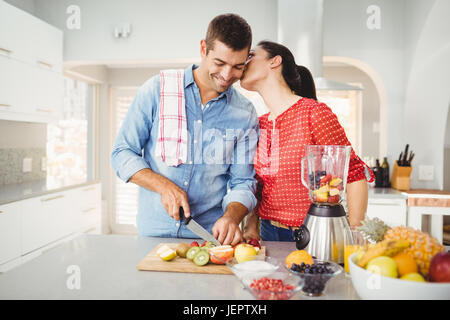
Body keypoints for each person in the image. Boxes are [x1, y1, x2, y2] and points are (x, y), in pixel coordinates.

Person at [111, 14, 259, 245]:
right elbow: (121, 153)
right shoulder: (157, 89)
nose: (227, 75)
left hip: (208, 238)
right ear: (203, 48)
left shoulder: (244, 113)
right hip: (153, 233)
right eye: (219, 63)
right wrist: (163, 186)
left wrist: (232, 216)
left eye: (237, 67)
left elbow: (243, 181)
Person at [240, 40, 374, 242]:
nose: (243, 61)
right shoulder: (260, 124)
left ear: (275, 62)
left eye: (251, 55)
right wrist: (251, 227)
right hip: (268, 233)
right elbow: (259, 188)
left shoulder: (313, 113)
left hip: (312, 232)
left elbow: (353, 173)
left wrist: (354, 236)